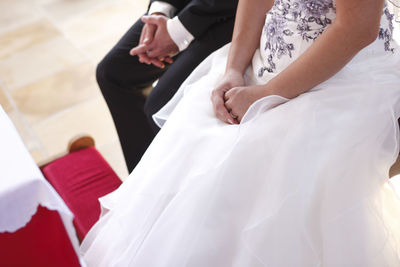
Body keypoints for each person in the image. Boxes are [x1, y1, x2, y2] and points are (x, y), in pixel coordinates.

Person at [82, 0, 400, 266]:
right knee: (193, 170)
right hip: (262, 58)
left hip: (339, 79)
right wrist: (233, 70)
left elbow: (357, 27)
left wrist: (271, 93)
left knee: (267, 180)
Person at [97, 0, 238, 173]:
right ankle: (141, 180)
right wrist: (159, 11)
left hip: (234, 14)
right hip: (184, 3)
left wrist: (179, 31)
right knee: (113, 73)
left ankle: (175, 186)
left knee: (161, 106)